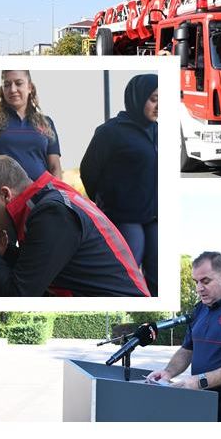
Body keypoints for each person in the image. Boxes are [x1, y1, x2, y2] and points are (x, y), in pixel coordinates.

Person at [0, 155, 151, 297]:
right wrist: (4, 252)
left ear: (5, 194)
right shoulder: (48, 198)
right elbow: (39, 268)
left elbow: (20, 293)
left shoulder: (52, 214)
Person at [146, 252, 221, 422]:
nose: (198, 288)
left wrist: (200, 382)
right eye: (196, 282)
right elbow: (187, 349)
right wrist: (168, 372)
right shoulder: (200, 309)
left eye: (205, 281)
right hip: (203, 401)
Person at [80, 74, 158, 296]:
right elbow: (89, 170)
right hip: (124, 218)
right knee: (126, 276)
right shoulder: (111, 131)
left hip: (154, 217)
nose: (158, 105)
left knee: (157, 278)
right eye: (153, 99)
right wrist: (106, 202)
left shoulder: (158, 131)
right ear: (138, 98)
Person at [0, 70, 62, 181]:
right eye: (7, 85)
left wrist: (57, 195)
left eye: (18, 83)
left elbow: (55, 166)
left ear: (30, 87)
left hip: (41, 194)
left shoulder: (46, 122)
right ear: (2, 89)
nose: (12, 89)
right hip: (2, 194)